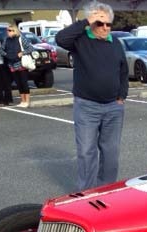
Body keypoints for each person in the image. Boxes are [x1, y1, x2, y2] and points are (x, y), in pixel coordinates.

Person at [56, 0, 128, 191]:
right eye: (99, 23)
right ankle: (86, 194)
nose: (104, 27)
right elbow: (60, 39)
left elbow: (123, 70)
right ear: (91, 23)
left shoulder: (116, 43)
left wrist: (122, 95)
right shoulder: (80, 41)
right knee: (87, 152)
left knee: (111, 152)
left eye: (108, 23)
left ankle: (106, 190)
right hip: (87, 107)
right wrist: (86, 22)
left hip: (113, 107)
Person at [0, 25, 33, 107]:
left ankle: (27, 101)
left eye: (10, 30)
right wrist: (6, 54)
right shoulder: (6, 40)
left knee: (24, 83)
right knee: (18, 83)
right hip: (12, 65)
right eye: (8, 30)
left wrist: (22, 53)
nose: (8, 32)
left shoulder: (21, 38)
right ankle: (22, 101)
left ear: (15, 31)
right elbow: (0, 50)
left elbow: (30, 48)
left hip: (21, 64)